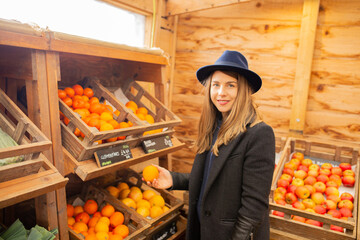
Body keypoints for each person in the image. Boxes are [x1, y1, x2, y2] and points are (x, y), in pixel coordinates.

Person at [145, 50, 275, 240]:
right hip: (204, 230)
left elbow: (254, 205)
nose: (221, 92)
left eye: (230, 85)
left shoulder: (258, 134)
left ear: (244, 90)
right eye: (216, 85)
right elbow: (213, 180)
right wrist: (174, 179)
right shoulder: (214, 127)